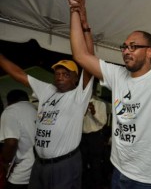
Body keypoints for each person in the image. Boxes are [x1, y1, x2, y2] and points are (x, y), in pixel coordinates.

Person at [66, 0, 151, 188]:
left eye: (133, 46)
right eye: (124, 46)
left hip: (150, 179)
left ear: (150, 52)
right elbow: (80, 54)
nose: (126, 51)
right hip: (118, 169)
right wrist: (76, 11)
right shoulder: (116, 74)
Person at [0, 52, 94, 189]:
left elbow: (89, 64)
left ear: (76, 78)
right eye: (57, 73)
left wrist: (85, 32)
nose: (60, 77)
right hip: (40, 163)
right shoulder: (47, 90)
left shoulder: (78, 96)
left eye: (66, 74)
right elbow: (19, 74)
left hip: (63, 165)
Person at [0, 90, 36, 189]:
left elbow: (11, 143)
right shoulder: (34, 109)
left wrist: (5, 161)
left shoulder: (10, 111)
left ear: (9, 102)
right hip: (38, 167)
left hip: (21, 172)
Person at [80, 84, 111, 189]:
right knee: (82, 164)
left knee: (96, 164)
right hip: (82, 137)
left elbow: (103, 122)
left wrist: (94, 113)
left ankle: (97, 185)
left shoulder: (100, 104)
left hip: (95, 137)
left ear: (93, 91)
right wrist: (82, 114)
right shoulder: (79, 104)